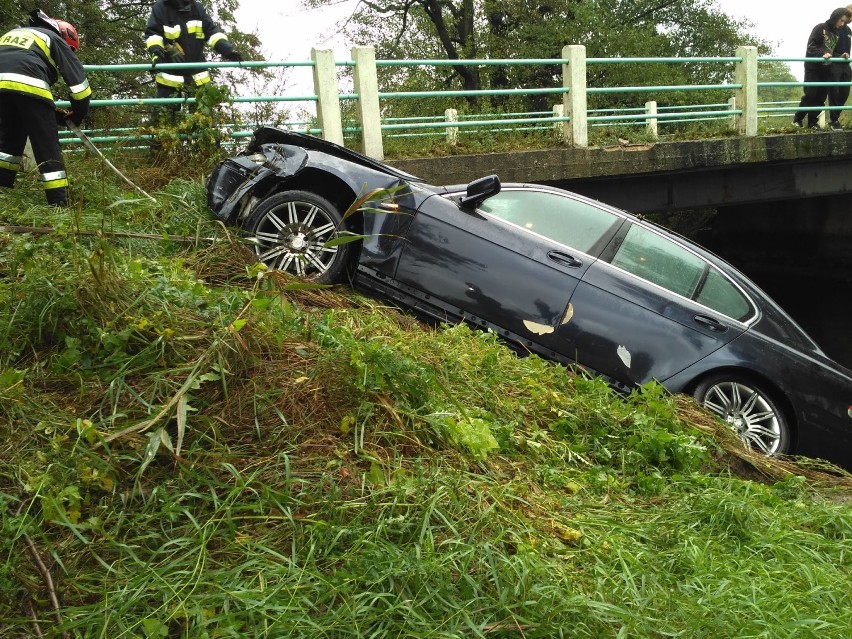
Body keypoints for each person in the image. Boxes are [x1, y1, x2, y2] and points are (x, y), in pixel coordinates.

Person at [0, 9, 91, 207]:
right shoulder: (53, 38)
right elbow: (80, 87)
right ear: (65, 37)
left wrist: (50, 112)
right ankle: (59, 204)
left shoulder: (16, 34)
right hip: (28, 84)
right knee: (47, 146)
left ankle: (2, 188)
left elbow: (16, 66)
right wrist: (78, 115)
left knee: (8, 142)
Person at [144, 0, 243, 120]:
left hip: (197, 76)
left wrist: (228, 50)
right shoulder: (160, 8)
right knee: (164, 120)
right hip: (169, 75)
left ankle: (203, 138)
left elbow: (211, 31)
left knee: (204, 120)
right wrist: (158, 53)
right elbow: (154, 35)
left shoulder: (197, 8)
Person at [793, 8, 851, 130]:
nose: (842, 24)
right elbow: (811, 46)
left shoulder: (836, 33)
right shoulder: (820, 28)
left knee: (821, 96)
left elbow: (831, 51)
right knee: (811, 93)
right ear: (836, 17)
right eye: (841, 21)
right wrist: (821, 55)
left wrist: (840, 57)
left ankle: (812, 122)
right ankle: (797, 119)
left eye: (844, 22)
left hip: (827, 68)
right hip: (813, 67)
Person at [828, 6, 852, 129]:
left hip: (846, 64)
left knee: (845, 92)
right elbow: (829, 46)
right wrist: (838, 55)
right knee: (834, 91)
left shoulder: (848, 30)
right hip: (835, 63)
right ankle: (833, 120)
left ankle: (834, 117)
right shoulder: (834, 27)